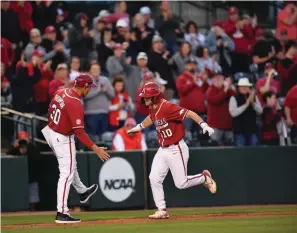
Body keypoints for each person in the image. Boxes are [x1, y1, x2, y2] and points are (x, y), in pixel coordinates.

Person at [127, 82, 216, 219]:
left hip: (176, 147)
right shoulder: (153, 107)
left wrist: (203, 124)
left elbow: (189, 113)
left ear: (155, 97)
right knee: (154, 178)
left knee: (181, 183)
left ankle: (205, 177)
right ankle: (162, 209)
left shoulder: (167, 107)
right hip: (163, 149)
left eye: (147, 97)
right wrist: (138, 127)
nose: (144, 99)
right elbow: (151, 118)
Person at [41, 74, 110, 223]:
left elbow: (50, 109)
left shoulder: (60, 91)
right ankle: (62, 212)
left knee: (72, 166)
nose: (89, 90)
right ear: (84, 87)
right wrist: (96, 148)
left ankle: (82, 191)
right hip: (62, 137)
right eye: (89, 87)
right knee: (66, 174)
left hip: (51, 131)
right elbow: (79, 132)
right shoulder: (75, 103)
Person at [7, 131, 40, 211]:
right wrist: (15, 147)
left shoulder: (32, 147)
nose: (24, 142)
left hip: (31, 176)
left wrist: (28, 147)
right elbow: (8, 154)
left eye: (25, 139)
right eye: (22, 139)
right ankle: (22, 210)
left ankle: (33, 211)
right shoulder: (17, 148)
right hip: (19, 178)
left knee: (33, 196)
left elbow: (36, 157)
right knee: (19, 195)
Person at [84, 63, 114, 140]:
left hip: (104, 112)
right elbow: (85, 95)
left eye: (97, 69)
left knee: (104, 136)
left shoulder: (105, 80)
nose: (96, 71)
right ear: (90, 70)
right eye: (94, 69)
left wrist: (106, 91)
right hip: (91, 113)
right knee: (92, 136)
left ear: (100, 71)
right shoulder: (86, 81)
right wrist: (99, 90)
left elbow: (112, 95)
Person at [229, 78, 263, 146]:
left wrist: (253, 103)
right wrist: (246, 105)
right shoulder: (233, 98)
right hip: (239, 131)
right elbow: (233, 113)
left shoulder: (254, 97)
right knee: (240, 152)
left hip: (252, 129)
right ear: (239, 88)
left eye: (246, 86)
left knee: (254, 150)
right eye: (242, 86)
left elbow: (260, 110)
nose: (244, 88)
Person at [206, 73, 235, 146]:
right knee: (215, 147)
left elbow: (234, 96)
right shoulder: (210, 90)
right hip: (215, 126)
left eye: (220, 77)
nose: (218, 79)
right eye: (215, 78)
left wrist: (229, 87)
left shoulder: (227, 90)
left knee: (229, 147)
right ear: (212, 80)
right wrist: (226, 89)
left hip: (228, 125)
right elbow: (216, 100)